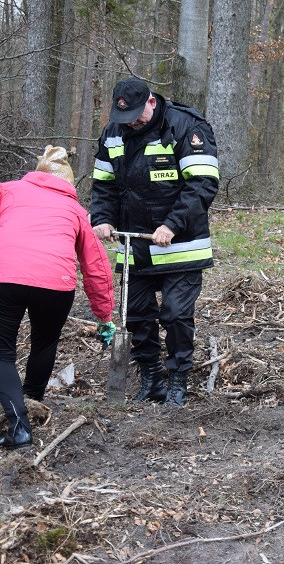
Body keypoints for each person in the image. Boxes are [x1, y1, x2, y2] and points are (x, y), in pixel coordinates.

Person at [91, 78, 219, 407]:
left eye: (137, 114)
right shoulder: (112, 133)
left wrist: (172, 224)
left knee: (176, 315)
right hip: (135, 246)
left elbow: (202, 184)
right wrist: (102, 218)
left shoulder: (185, 126)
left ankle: (177, 382)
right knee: (135, 316)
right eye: (125, 116)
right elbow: (103, 185)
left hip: (180, 246)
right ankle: (151, 378)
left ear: (151, 102)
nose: (132, 122)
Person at [1, 146, 115, 449]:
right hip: (56, 282)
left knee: (1, 353)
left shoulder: (9, 191)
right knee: (45, 343)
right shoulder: (76, 210)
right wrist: (104, 315)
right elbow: (97, 266)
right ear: (68, 184)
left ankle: (19, 425)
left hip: (6, 276)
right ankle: (32, 403)